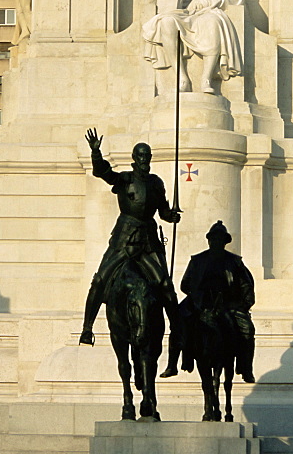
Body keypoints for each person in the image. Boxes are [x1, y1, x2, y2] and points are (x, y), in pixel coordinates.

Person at [79, 128, 181, 347]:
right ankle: (87, 329)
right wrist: (96, 153)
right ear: (135, 158)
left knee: (164, 283)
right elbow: (103, 173)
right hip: (124, 237)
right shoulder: (124, 179)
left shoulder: (156, 183)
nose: (145, 160)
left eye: (147, 156)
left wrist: (170, 216)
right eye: (141, 156)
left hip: (148, 240)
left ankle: (177, 329)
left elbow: (162, 211)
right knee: (100, 280)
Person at [161, 220, 255, 383]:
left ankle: (245, 367)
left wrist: (243, 304)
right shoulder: (197, 260)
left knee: (247, 329)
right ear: (209, 240)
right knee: (178, 323)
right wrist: (198, 296)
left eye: (220, 239)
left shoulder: (235, 262)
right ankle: (172, 364)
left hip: (228, 304)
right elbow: (185, 284)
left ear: (225, 242)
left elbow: (246, 286)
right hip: (200, 303)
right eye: (213, 239)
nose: (216, 242)